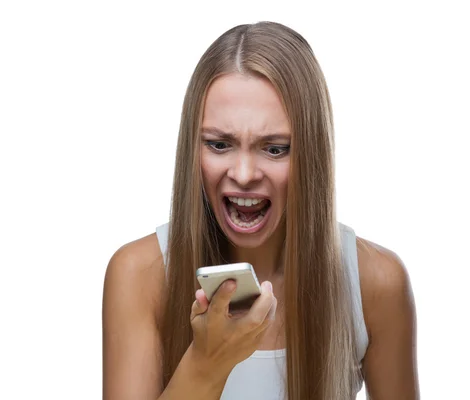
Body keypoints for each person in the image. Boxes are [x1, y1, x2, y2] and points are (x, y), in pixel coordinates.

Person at [102, 21, 419, 400]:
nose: (244, 174)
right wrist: (206, 364)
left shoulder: (376, 282)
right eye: (220, 144)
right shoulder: (140, 275)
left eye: (275, 148)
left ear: (311, 154)